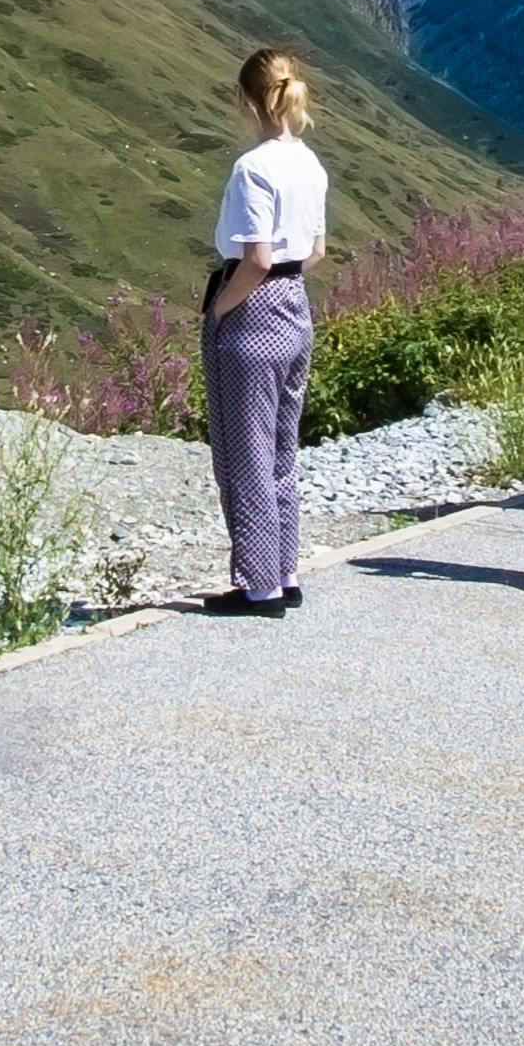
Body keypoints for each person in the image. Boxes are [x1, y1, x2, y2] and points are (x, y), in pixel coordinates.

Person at [201, 47, 327, 618]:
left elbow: (254, 258)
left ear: (247, 99)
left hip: (253, 305)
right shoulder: (310, 163)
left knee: (243, 449)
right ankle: (284, 568)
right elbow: (316, 251)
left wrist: (221, 309)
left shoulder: (253, 168)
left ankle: (259, 585)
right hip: (296, 303)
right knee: (280, 449)